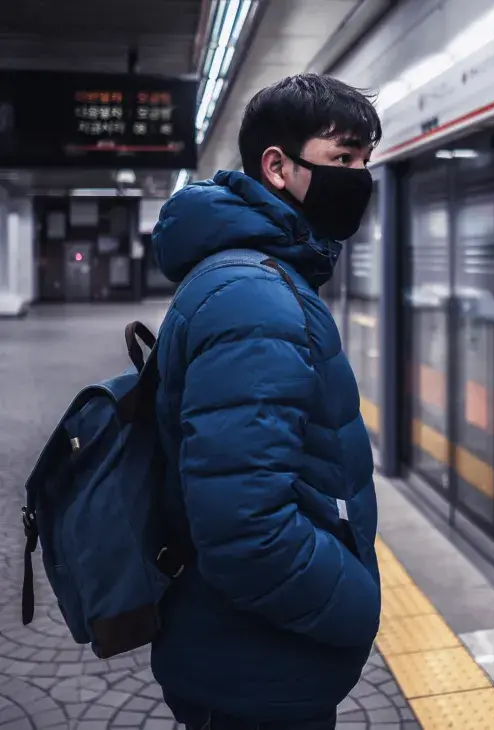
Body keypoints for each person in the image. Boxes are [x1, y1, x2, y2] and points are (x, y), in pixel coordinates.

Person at [148, 73, 383, 730]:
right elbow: (245, 532)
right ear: (277, 167)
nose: (359, 178)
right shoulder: (256, 296)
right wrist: (357, 603)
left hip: (246, 657)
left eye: (365, 161)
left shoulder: (252, 276)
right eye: (343, 161)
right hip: (255, 669)